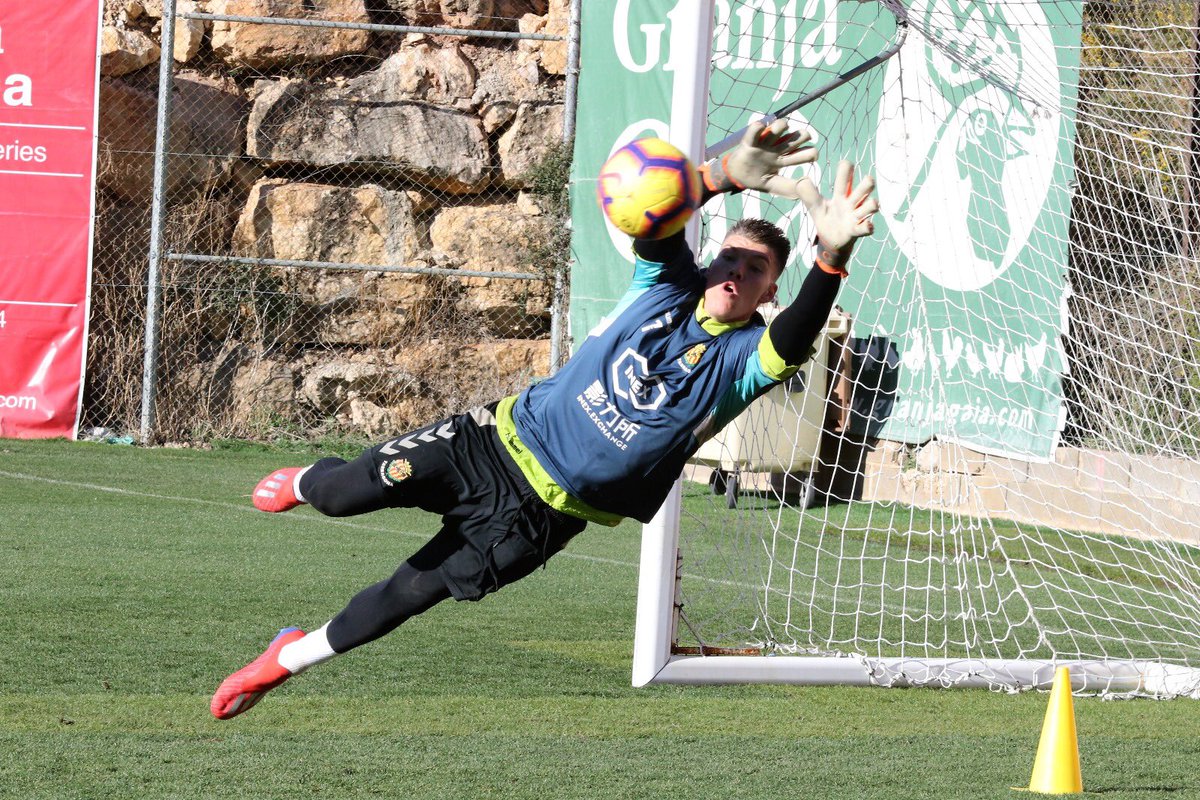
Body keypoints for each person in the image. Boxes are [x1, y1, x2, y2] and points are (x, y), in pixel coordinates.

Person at [210, 120, 879, 720]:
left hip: (541, 518)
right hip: (491, 444)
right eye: (729, 256)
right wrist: (721, 175)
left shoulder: (745, 361)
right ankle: (307, 482)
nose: (736, 269)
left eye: (755, 268)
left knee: (409, 593)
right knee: (342, 495)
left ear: (771, 290)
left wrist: (832, 257)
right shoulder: (666, 284)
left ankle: (283, 661)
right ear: (709, 261)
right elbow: (652, 221)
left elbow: (792, 340)